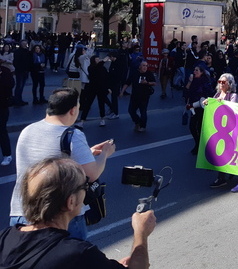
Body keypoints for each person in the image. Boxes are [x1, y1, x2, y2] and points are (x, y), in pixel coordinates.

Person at [0, 158, 156, 269]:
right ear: (71, 202)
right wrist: (140, 233)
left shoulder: (4, 237)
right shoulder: (79, 254)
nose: (88, 189)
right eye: (85, 185)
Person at [9, 88, 115, 240]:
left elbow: (47, 160)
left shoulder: (28, 130)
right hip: (58, 217)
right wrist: (105, 153)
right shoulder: (72, 135)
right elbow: (92, 174)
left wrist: (87, 153)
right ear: (73, 110)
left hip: (22, 212)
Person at [208, 73, 238, 189]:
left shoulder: (233, 95)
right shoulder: (217, 94)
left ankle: (221, 178)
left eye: (223, 82)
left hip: (229, 129)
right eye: (219, 82)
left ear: (229, 84)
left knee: (225, 152)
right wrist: (208, 103)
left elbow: (233, 109)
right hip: (218, 129)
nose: (221, 84)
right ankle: (226, 174)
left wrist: (223, 102)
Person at [185, 65, 215, 155]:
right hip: (193, 106)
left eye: (197, 70)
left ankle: (201, 146)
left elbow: (209, 94)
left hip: (202, 108)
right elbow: (186, 91)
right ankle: (197, 144)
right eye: (194, 70)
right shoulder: (193, 80)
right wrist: (190, 81)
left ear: (201, 72)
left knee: (199, 127)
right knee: (192, 126)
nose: (194, 72)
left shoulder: (205, 82)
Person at [120, 61, 157, 133]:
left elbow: (154, 83)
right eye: (143, 65)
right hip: (135, 96)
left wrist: (147, 82)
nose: (145, 67)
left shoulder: (149, 73)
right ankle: (137, 122)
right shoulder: (134, 74)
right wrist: (122, 92)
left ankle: (143, 126)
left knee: (143, 112)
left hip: (144, 96)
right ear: (139, 66)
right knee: (131, 111)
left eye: (146, 65)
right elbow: (127, 83)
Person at [79, 56, 113, 127]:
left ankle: (102, 119)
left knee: (101, 104)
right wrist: (103, 61)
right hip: (93, 88)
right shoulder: (91, 68)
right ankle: (82, 120)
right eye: (96, 59)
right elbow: (96, 69)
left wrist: (108, 87)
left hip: (100, 88)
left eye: (98, 59)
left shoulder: (102, 68)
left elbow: (106, 77)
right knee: (88, 104)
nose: (98, 60)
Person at [0, 65, 14, 166]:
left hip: (2, 105)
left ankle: (7, 155)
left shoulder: (5, 71)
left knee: (2, 130)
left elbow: (10, 85)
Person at [12, 40, 30, 106]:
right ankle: (17, 100)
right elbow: (15, 62)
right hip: (20, 71)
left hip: (25, 71)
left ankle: (19, 99)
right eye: (24, 44)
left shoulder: (27, 51)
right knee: (19, 85)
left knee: (21, 86)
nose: (25, 45)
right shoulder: (17, 52)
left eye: (26, 44)